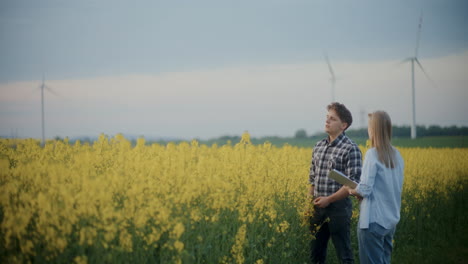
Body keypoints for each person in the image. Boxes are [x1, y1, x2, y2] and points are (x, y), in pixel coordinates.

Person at [347, 111, 404, 264]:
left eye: (369, 127)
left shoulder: (373, 154)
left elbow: (364, 189)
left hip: (372, 221)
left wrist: (351, 190)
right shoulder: (397, 155)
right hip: (390, 220)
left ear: (373, 130)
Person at [308, 102, 362, 264]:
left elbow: (353, 184)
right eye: (327, 118)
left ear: (343, 125)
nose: (327, 121)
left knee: (344, 254)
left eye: (332, 119)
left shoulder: (351, 148)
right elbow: (312, 178)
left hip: (338, 209)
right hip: (317, 207)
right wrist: (307, 203)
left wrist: (329, 200)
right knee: (316, 254)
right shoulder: (318, 146)